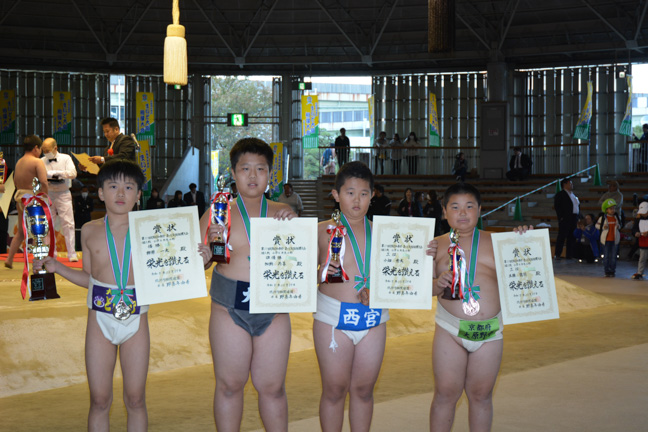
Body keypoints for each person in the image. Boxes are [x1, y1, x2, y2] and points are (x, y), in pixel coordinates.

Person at [34, 160, 209, 430]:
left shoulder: (154, 230)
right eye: (113, 186)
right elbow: (90, 278)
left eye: (128, 187)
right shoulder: (89, 230)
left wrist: (201, 261)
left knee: (136, 399)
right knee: (99, 400)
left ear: (138, 194)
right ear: (100, 192)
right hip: (99, 318)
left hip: (137, 319)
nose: (120, 193)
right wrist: (58, 268)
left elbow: (176, 267)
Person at [200, 137, 296, 431]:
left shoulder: (284, 212)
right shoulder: (217, 213)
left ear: (270, 174)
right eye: (245, 169)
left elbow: (299, 262)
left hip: (274, 309)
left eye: (260, 169)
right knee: (229, 385)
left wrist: (294, 227)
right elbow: (196, 264)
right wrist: (205, 255)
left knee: (273, 387)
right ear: (233, 172)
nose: (253, 176)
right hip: (228, 308)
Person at [430, 182, 513, 432]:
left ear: (480, 209)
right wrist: (436, 283)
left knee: (481, 395)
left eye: (469, 206)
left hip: (489, 331)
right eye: (455, 207)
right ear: (444, 211)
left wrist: (524, 239)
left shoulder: (499, 242)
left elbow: (523, 272)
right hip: (450, 329)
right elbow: (420, 291)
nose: (463, 213)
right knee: (445, 393)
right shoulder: (434, 246)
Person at [314, 161, 387, 431]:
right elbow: (297, 274)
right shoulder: (320, 230)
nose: (357, 200)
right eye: (350, 192)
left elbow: (397, 275)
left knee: (364, 390)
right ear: (336, 195)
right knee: (334, 389)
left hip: (373, 318)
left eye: (364, 193)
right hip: (332, 317)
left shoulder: (385, 232)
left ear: (372, 195)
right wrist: (320, 271)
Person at [5, 135, 49, 269]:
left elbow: (16, 182)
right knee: (38, 232)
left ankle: (9, 259)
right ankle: (39, 262)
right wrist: (45, 196)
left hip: (20, 198)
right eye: (40, 149)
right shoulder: (37, 162)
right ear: (36, 148)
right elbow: (43, 181)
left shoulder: (19, 162)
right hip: (33, 198)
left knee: (21, 232)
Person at [41, 137, 78, 261]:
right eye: (44, 150)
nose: (45, 153)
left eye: (47, 150)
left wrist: (57, 174)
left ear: (55, 148)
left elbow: (73, 173)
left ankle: (72, 253)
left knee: (68, 223)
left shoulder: (66, 158)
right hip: (48, 193)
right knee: (48, 223)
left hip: (63, 193)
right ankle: (51, 253)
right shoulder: (41, 160)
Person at [553, 178, 580, 260]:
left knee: (572, 236)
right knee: (562, 236)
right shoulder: (560, 194)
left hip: (574, 217)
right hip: (565, 218)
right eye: (570, 183)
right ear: (564, 184)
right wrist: (561, 217)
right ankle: (557, 254)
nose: (572, 185)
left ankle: (570, 255)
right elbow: (557, 207)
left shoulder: (573, 195)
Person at [596, 199, 621, 277]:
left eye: (613, 208)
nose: (613, 210)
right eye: (610, 209)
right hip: (606, 240)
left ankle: (612, 270)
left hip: (614, 240)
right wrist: (603, 227)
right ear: (606, 210)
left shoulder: (616, 217)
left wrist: (618, 226)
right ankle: (607, 270)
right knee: (606, 256)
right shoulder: (603, 218)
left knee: (613, 256)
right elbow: (597, 225)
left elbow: (620, 225)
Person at [74, 186, 94, 251]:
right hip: (78, 219)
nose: (85, 192)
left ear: (88, 192)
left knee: (87, 234)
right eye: (83, 191)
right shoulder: (77, 198)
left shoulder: (90, 199)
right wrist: (86, 207)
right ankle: (78, 249)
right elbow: (77, 208)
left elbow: (91, 209)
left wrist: (82, 206)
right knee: (78, 234)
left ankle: (87, 249)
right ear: (81, 191)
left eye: (86, 191)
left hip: (87, 219)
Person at [631, 201, 648, 280]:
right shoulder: (638, 219)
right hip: (643, 242)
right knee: (642, 258)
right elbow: (634, 229)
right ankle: (640, 272)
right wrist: (636, 233)